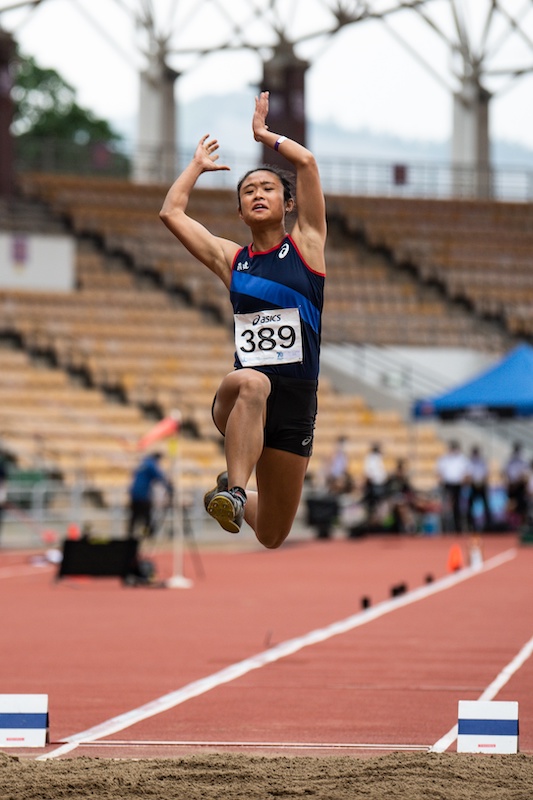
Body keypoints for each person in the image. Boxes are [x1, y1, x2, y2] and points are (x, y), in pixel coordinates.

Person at [159, 91, 327, 549]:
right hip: (239, 398)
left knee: (273, 533)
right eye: (248, 191)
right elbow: (171, 213)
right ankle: (235, 491)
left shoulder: (307, 247)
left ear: (288, 204)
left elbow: (308, 164)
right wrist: (195, 166)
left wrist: (264, 136)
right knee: (254, 382)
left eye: (267, 188)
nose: (257, 194)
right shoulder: (233, 261)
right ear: (238, 211)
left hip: (295, 404)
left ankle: (225, 490)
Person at [126, 452, 173, 540]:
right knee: (146, 517)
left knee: (134, 516)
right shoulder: (151, 465)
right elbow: (159, 477)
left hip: (134, 494)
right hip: (143, 495)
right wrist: (169, 487)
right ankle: (146, 535)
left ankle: (130, 535)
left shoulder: (141, 464)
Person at [436, 440, 469, 532]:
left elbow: (466, 473)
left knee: (457, 508)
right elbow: (439, 472)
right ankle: (445, 529)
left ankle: (458, 528)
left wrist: (464, 481)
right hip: (447, 485)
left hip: (458, 485)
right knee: (446, 507)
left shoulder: (462, 459)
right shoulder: (444, 459)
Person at [465, 445, 493, 532]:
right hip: (473, 485)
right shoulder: (470, 462)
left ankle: (488, 524)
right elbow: (468, 474)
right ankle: (471, 525)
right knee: (470, 506)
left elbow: (486, 474)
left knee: (486, 505)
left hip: (482, 485)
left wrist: (481, 482)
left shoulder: (482, 461)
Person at [503, 442, 529, 527]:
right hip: (511, 486)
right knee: (511, 505)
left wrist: (518, 481)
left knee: (522, 506)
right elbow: (506, 473)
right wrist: (510, 482)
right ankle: (510, 523)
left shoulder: (522, 461)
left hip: (520, 486)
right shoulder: (510, 461)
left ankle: (522, 524)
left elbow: (525, 475)